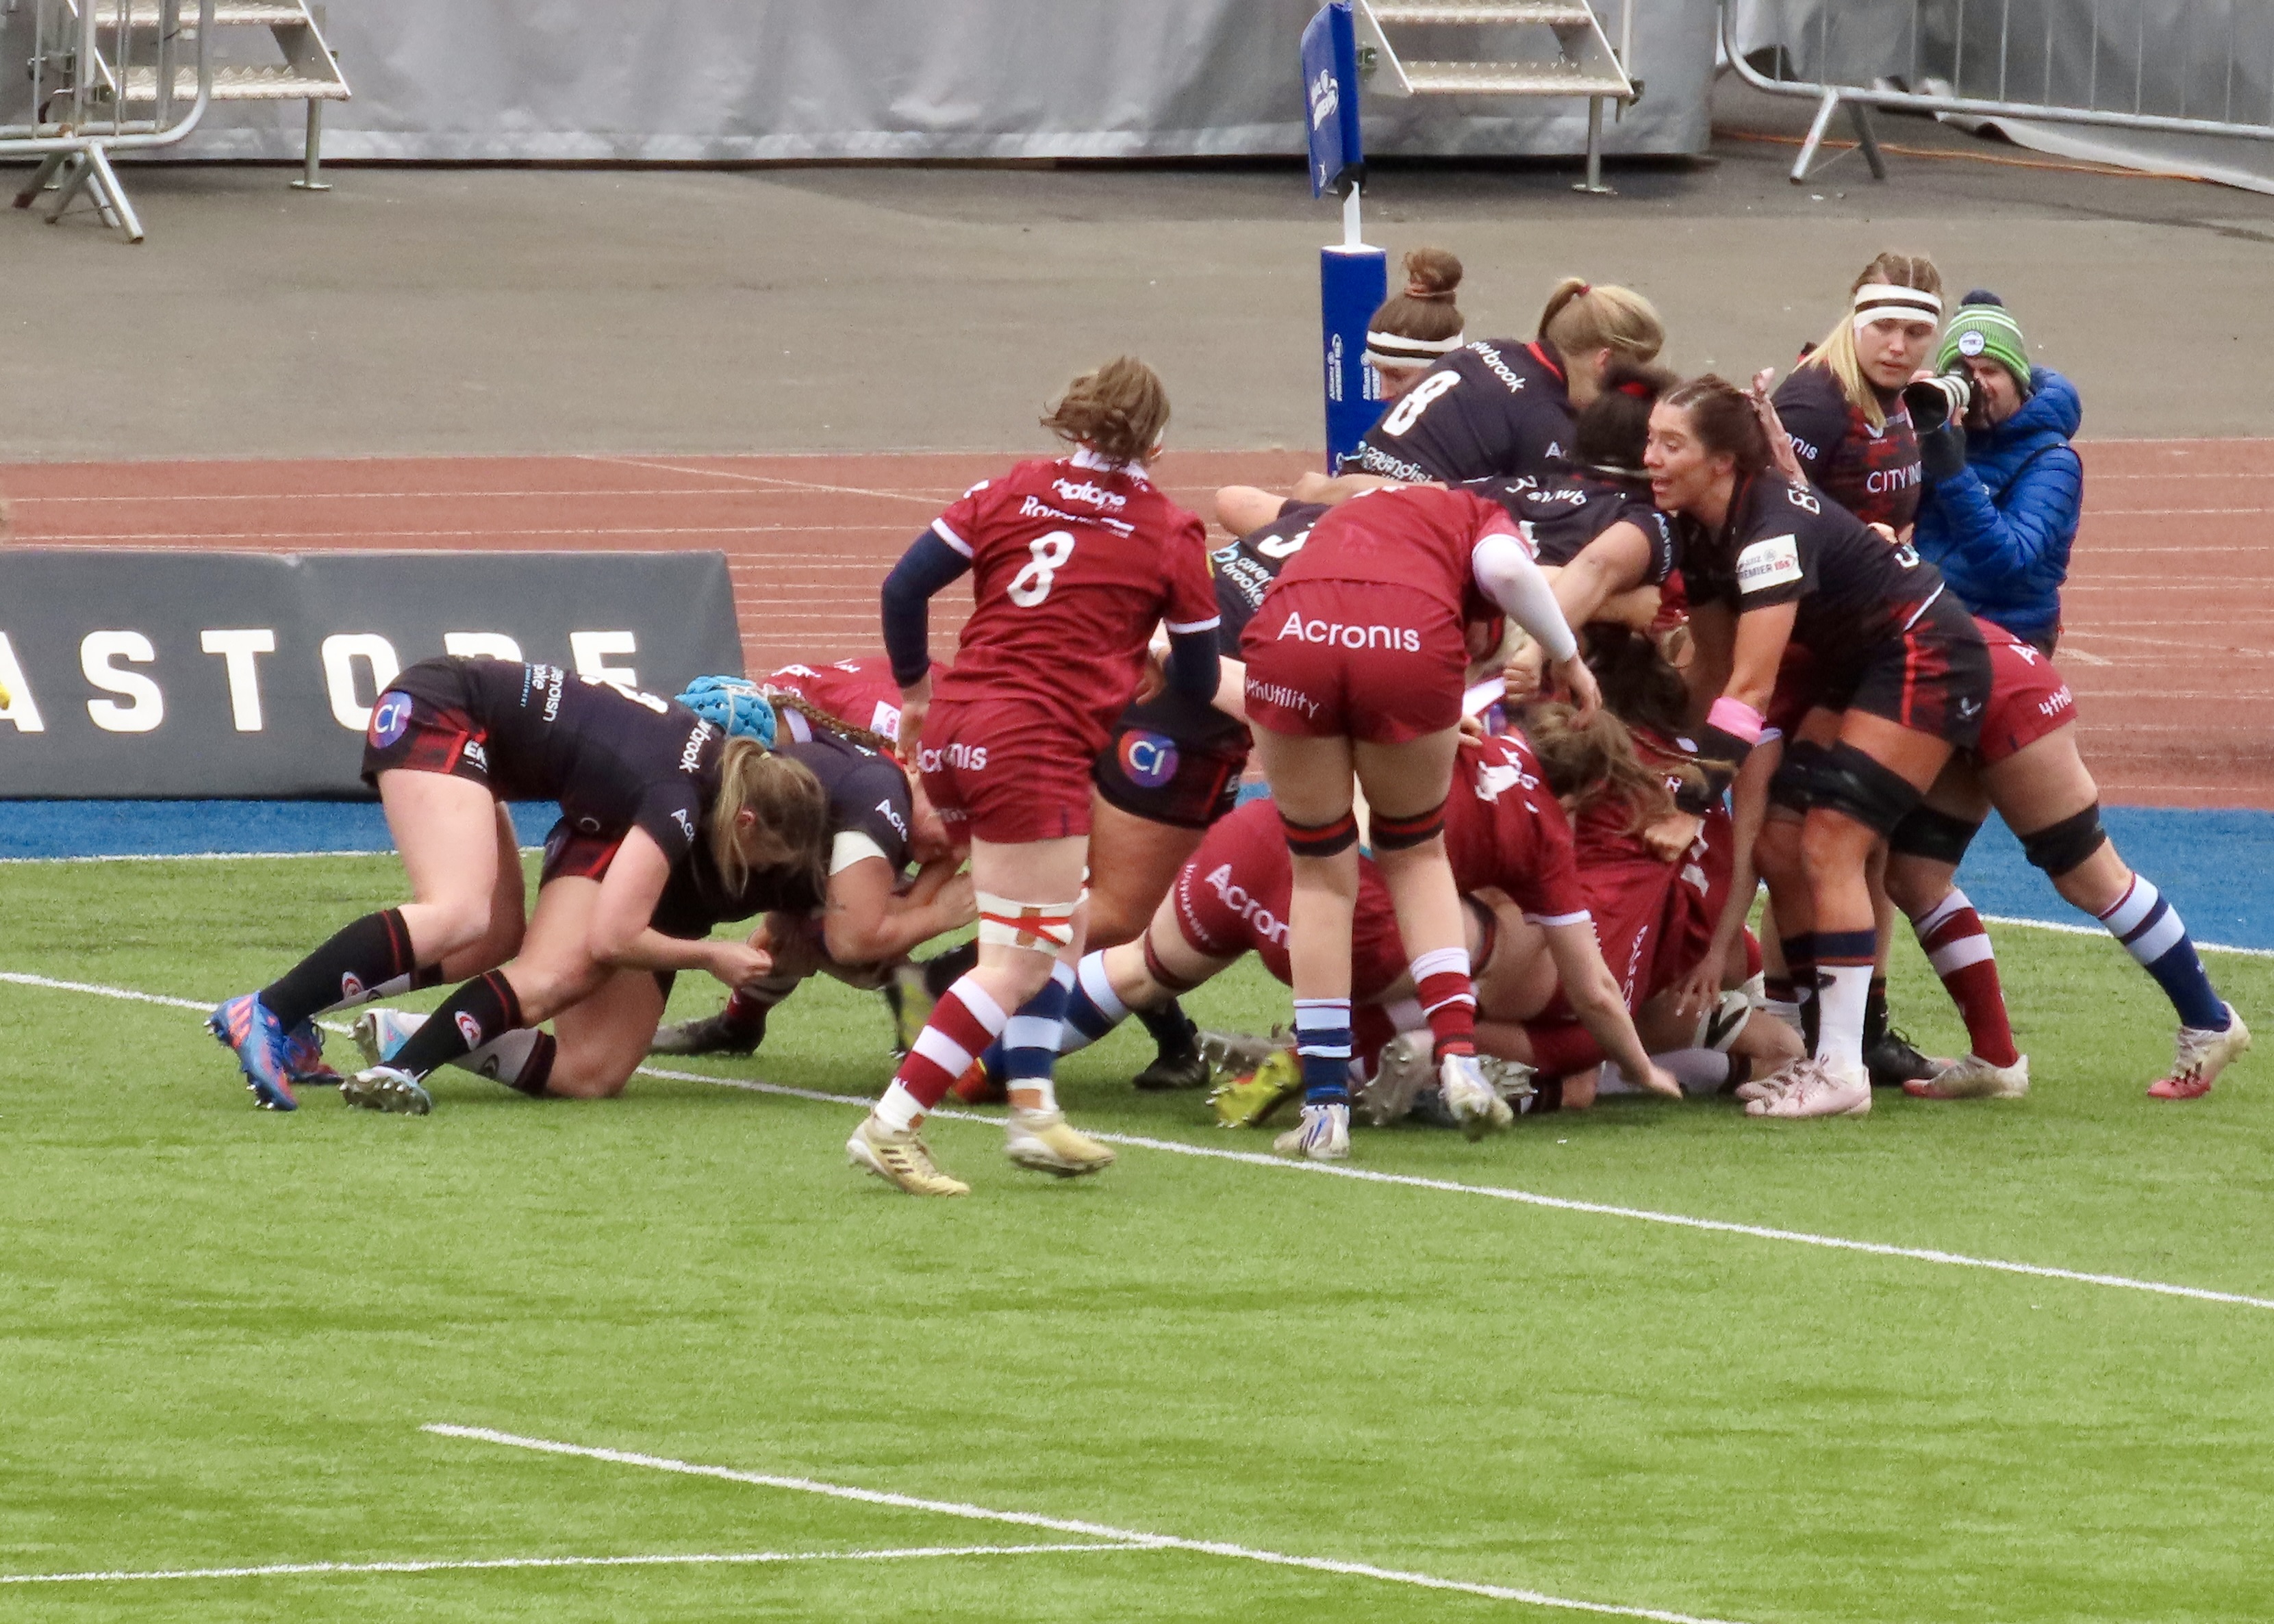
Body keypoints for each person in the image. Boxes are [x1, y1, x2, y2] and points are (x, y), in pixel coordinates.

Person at [849, 355, 1222, 1196]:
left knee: (1064, 920)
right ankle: (894, 1124)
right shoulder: (1168, 529)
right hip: (1033, 746)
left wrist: (914, 691)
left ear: (1076, 420)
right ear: (1158, 444)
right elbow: (1201, 679)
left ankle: (1033, 1108)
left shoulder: (1012, 486)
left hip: (957, 728)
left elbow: (903, 587)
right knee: (1018, 960)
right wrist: (1149, 656)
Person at [208, 656, 831, 1112]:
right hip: (441, 713)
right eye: (764, 858)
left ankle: (306, 1025)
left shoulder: (701, 769)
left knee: (494, 936)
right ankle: (267, 1011)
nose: (758, 873)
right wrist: (712, 956)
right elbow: (613, 937)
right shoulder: (677, 798)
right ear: (745, 819)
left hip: (467, 726)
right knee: (459, 913)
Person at [1646, 375, 1991, 1119]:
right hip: (1862, 668)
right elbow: (1711, 670)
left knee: (1832, 841)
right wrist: (1651, 744)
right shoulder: (1699, 529)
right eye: (1651, 440)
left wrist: (1690, 799)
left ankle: (1842, 1066)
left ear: (1722, 461)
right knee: (1779, 843)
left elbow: (1750, 688)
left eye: (1671, 444)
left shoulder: (1770, 530)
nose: (1651, 458)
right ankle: (1819, 1045)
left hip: (1925, 655)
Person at [1044, 728, 1674, 1131]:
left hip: (1253, 842)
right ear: (1581, 795)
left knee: (1140, 969)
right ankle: (1347, 1058)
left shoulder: (1463, 722)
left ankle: (1001, 1059)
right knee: (1505, 933)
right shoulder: (1545, 830)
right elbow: (1593, 989)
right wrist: (1642, 1070)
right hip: (1343, 920)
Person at [1238, 481, 1603, 1159]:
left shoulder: (1363, 512)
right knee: (1414, 854)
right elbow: (1507, 572)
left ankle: (1324, 1108)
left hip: (1292, 634)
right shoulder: (1479, 515)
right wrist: (1567, 655)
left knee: (1318, 876)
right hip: (1405, 643)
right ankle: (1459, 1057)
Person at [357, 713, 974, 1105]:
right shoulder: (880, 797)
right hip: (628, 851)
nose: (956, 843)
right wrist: (946, 910)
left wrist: (928, 888)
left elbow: (828, 946)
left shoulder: (883, 822)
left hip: (675, 900)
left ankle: (409, 1036)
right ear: (923, 771)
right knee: (546, 979)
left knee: (591, 1074)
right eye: (957, 819)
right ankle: (347, 1032)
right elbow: (856, 940)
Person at [1879, 620, 2249, 1100]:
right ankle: (1995, 1059)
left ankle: (2210, 1022)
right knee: (1915, 877)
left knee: (2089, 874)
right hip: (1950, 685)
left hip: (1996, 686)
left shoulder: (1799, 589)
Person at [1759, 251, 1949, 1089]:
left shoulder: (1896, 399)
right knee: (1783, 843)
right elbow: (1771, 507)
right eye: (1886, 327)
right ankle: (1789, 1019)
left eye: (1917, 331)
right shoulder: (1815, 398)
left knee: (1858, 846)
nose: (1900, 345)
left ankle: (1847, 1028)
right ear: (1854, 318)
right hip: (1798, 653)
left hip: (1852, 647)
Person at [1910, 292, 2084, 654]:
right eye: (1964, 373)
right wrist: (1894, 423)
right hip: (1934, 616)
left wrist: (1954, 474)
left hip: (2008, 630)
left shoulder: (2053, 460)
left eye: (1990, 371)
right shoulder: (1942, 434)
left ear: (2018, 380)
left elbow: (2010, 560)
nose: (1978, 385)